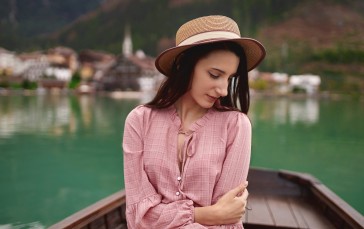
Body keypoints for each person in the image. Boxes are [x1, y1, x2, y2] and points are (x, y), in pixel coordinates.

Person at [122, 15, 266, 228]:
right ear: (184, 66)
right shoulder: (139, 121)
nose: (224, 90)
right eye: (215, 74)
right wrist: (203, 215)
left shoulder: (236, 125)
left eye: (230, 78)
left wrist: (166, 217)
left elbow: (226, 220)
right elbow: (138, 216)